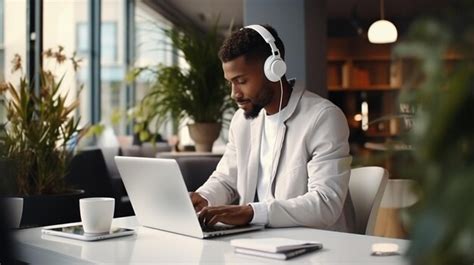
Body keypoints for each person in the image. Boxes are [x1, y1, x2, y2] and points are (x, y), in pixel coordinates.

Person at [190, 24, 355, 232]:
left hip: (318, 245)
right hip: (263, 242)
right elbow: (226, 179)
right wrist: (203, 198)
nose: (234, 93)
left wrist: (252, 212)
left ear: (274, 70)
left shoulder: (323, 117)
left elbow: (325, 203)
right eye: (230, 83)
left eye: (241, 81)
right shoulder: (242, 121)